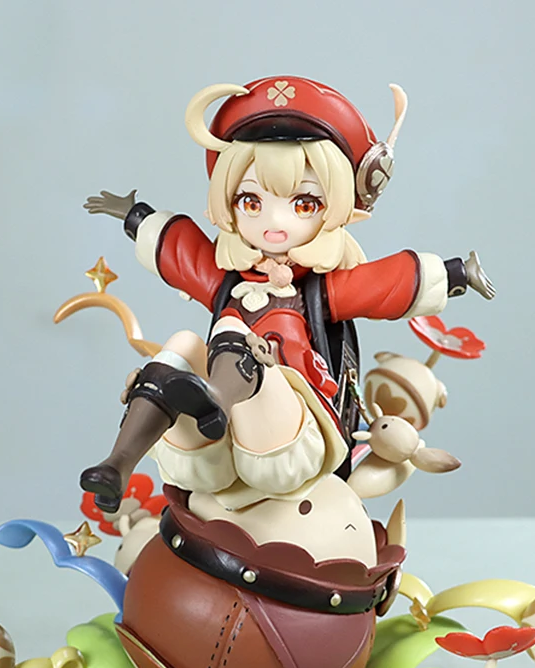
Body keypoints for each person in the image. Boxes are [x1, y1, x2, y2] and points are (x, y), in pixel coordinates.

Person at [80, 76, 494, 513]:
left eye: (304, 204)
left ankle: (215, 399)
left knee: (236, 337)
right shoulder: (228, 282)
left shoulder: (317, 291)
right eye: (251, 202)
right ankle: (117, 464)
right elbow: (182, 254)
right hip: (217, 449)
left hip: (295, 420)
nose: (274, 223)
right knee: (182, 345)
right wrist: (136, 216)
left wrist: (456, 274)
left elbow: (385, 284)